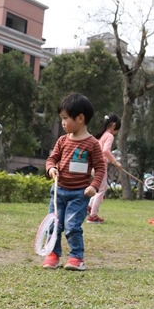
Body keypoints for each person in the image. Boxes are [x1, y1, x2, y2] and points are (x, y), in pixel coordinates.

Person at [43, 93, 106, 271]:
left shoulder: (93, 144)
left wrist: (94, 186)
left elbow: (100, 168)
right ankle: (53, 255)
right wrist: (51, 168)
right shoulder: (62, 141)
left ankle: (76, 258)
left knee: (72, 226)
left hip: (79, 194)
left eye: (65, 118)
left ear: (80, 118)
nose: (62, 122)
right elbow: (51, 159)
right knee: (53, 225)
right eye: (61, 118)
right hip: (58, 191)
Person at [87, 114, 121, 224]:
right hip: (100, 166)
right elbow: (106, 151)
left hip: (93, 165)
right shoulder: (109, 136)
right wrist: (115, 162)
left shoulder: (101, 135)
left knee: (100, 188)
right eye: (117, 129)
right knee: (101, 190)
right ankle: (93, 215)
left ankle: (89, 208)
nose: (116, 132)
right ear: (113, 125)